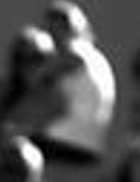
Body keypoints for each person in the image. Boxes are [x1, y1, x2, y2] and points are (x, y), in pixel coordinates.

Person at [36, 1, 117, 163]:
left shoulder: (77, 51)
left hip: (67, 143)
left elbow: (37, 83)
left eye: (58, 28)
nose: (52, 36)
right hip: (85, 145)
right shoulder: (94, 57)